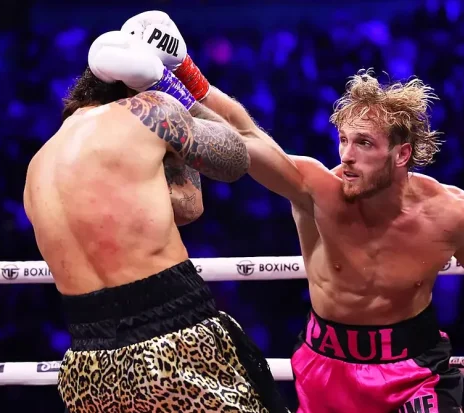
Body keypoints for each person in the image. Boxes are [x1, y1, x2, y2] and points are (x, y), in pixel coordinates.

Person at [123, 12, 464, 413]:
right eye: (343, 140)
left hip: (415, 368)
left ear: (401, 155)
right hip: (327, 368)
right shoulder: (315, 189)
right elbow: (243, 134)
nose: (346, 155)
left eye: (364, 144)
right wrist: (176, 74)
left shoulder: (451, 212)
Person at [23, 30, 288, 413]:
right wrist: (169, 86)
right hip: (174, 340)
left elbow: (185, 206)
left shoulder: (39, 163)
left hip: (88, 366)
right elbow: (234, 158)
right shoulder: (149, 110)